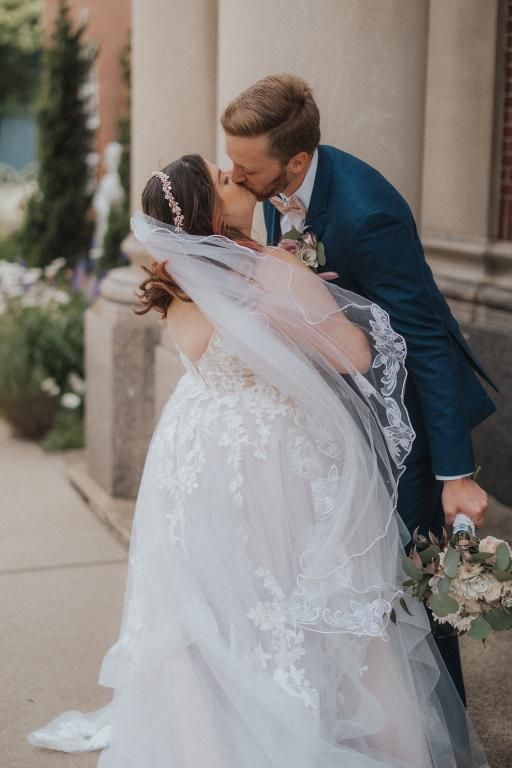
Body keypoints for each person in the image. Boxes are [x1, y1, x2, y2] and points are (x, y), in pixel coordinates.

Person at [28, 154, 489, 767]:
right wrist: (309, 302)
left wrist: (297, 298)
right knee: (305, 590)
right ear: (212, 215)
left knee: (226, 600)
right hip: (275, 456)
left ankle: (217, 735)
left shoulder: (176, 278)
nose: (235, 175)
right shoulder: (269, 269)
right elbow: (353, 354)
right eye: (222, 180)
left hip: (198, 453)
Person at [221, 73, 497, 704]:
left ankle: (436, 732)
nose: (235, 178)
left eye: (246, 168)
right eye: (233, 165)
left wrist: (454, 473)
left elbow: (425, 340)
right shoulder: (274, 185)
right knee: (349, 576)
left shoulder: (367, 212)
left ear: (295, 160)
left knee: (408, 581)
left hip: (412, 419)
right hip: (347, 409)